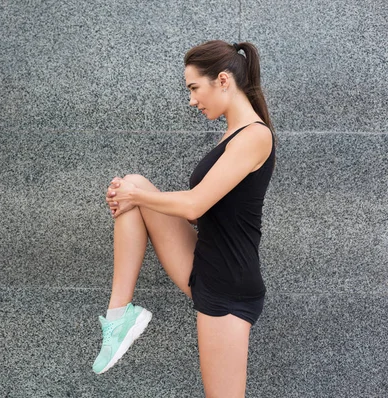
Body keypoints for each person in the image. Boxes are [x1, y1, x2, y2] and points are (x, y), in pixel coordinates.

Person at [92, 40, 276, 397]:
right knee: (132, 185)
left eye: (194, 88)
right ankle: (119, 317)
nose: (192, 100)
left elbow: (194, 205)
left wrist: (138, 198)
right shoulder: (232, 135)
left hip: (229, 286)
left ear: (223, 80)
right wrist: (132, 196)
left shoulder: (255, 136)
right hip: (207, 262)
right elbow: (210, 213)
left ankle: (119, 318)